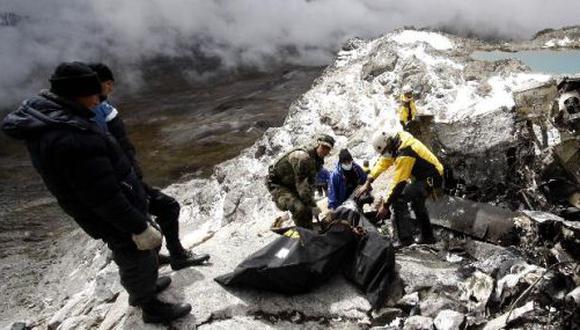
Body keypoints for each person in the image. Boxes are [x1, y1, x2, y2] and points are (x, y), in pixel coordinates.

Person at [1, 62, 190, 323]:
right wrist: (137, 225)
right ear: (75, 93)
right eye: (93, 94)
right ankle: (148, 305)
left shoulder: (60, 120)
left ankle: (143, 288)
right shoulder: (70, 137)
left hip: (112, 203)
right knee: (134, 252)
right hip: (111, 211)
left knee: (137, 253)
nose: (98, 99)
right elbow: (101, 194)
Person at [88, 63, 209, 270]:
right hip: (122, 183)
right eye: (108, 84)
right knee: (159, 213)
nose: (111, 88)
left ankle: (160, 258)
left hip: (128, 179)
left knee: (160, 211)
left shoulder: (98, 108)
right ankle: (159, 273)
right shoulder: (93, 113)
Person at [356, 130, 443, 247]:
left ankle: (404, 239)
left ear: (389, 144)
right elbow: (383, 162)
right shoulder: (397, 142)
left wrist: (386, 205)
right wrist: (368, 181)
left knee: (398, 199)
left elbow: (399, 183)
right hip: (424, 176)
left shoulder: (405, 152)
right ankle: (428, 237)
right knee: (417, 202)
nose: (386, 154)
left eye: (386, 151)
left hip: (431, 177)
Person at [267, 134, 335, 229]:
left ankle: (308, 229)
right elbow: (302, 186)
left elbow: (310, 184)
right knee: (299, 208)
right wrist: (313, 205)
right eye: (323, 147)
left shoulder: (317, 160)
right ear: (317, 145)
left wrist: (311, 204)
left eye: (328, 149)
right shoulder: (303, 158)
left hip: (293, 183)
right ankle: (304, 234)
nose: (325, 151)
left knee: (307, 209)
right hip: (278, 185)